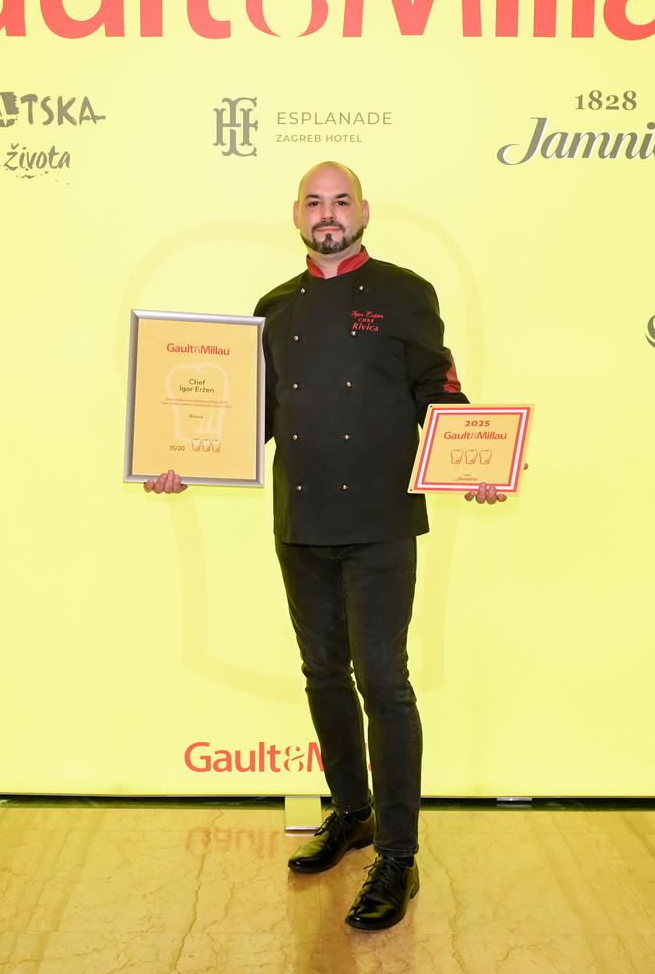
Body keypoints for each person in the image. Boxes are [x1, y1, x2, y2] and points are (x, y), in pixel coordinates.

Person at [145, 162, 505, 930]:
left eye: (341, 201)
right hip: (302, 521)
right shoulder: (274, 307)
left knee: (385, 682)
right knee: (322, 674)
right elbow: (251, 420)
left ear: (364, 212)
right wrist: (181, 457)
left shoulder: (406, 292)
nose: (328, 213)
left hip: (381, 522)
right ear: (297, 215)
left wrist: (477, 459)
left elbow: (438, 390)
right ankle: (351, 812)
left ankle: (399, 855)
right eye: (315, 202)